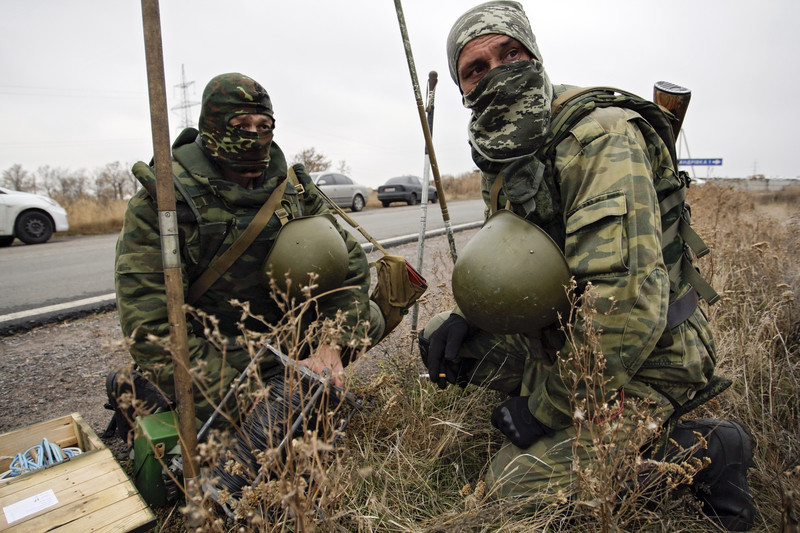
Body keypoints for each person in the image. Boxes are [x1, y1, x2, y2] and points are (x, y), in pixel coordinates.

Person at [419, 2, 754, 530]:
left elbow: (626, 309)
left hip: (653, 351)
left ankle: (704, 451)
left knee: (513, 488)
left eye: (510, 53)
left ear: (534, 54)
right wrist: (474, 319)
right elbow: (529, 268)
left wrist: (542, 410)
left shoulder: (599, 138)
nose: (496, 73)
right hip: (574, 336)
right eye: (475, 68)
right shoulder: (507, 153)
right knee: (446, 340)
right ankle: (577, 414)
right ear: (464, 90)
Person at [115, 72, 383, 428]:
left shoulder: (294, 190)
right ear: (212, 126)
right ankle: (151, 391)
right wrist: (244, 399)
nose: (255, 136)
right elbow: (149, 323)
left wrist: (330, 346)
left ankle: (296, 379)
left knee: (372, 318)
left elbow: (348, 264)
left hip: (286, 337)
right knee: (242, 456)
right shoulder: (162, 203)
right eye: (240, 124)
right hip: (217, 351)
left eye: (264, 125)